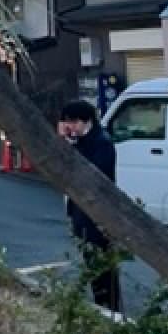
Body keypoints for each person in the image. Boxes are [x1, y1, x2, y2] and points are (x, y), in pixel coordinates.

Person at [56, 98, 122, 313]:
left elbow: (94, 175)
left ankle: (110, 309)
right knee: (93, 264)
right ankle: (103, 307)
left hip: (99, 214)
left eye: (73, 122)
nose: (70, 127)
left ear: (87, 121)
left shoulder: (101, 142)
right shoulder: (80, 141)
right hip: (82, 212)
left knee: (102, 266)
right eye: (67, 122)